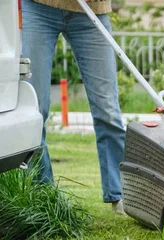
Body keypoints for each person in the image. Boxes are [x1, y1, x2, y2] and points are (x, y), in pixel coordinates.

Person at [21, 0, 126, 215]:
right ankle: (42, 194)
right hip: (39, 7)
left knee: (108, 108)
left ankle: (121, 193)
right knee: (34, 109)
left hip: (92, 12)